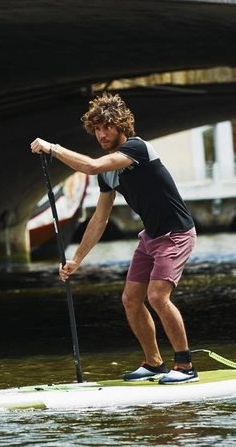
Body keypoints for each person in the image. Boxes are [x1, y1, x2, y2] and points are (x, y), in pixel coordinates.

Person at [30, 92, 198, 383]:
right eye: (96, 129)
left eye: (106, 127)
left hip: (176, 233)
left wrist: (52, 148)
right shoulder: (107, 174)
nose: (101, 134)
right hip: (150, 237)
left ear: (121, 126)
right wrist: (77, 260)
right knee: (131, 300)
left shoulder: (137, 148)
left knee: (157, 296)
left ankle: (185, 367)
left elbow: (92, 165)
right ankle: (154, 364)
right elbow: (100, 218)